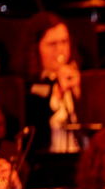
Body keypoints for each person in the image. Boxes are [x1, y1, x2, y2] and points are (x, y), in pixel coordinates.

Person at [23, 12, 82, 154]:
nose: (60, 50)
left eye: (64, 42)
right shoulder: (27, 86)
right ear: (36, 48)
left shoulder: (80, 77)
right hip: (46, 161)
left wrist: (79, 94)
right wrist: (58, 92)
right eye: (52, 44)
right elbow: (35, 128)